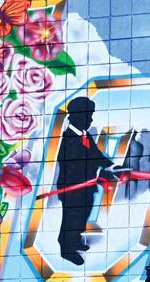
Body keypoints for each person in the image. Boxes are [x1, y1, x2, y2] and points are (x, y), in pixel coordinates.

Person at [55, 96, 116, 265]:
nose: (90, 120)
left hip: (86, 187)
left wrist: (111, 166)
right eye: (87, 116)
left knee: (82, 215)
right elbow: (74, 162)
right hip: (72, 188)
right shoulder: (67, 138)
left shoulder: (85, 136)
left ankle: (74, 242)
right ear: (76, 116)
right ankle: (66, 248)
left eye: (91, 116)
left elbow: (96, 156)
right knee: (71, 217)